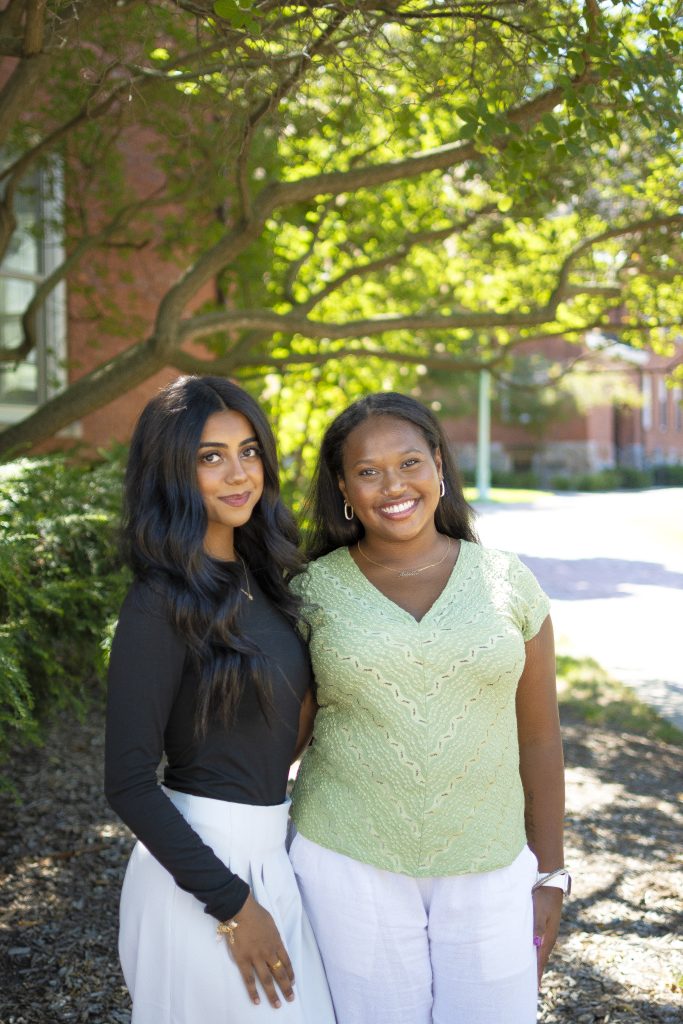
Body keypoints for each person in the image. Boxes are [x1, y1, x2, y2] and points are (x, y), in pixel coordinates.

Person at [288, 392, 567, 1024]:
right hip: (347, 861)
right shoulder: (310, 593)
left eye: (409, 461)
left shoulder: (507, 581)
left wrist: (550, 874)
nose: (394, 484)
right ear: (343, 489)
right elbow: (283, 739)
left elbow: (541, 739)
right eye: (368, 471)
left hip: (491, 862)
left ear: (439, 466)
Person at [104, 376, 334, 1024]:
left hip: (270, 854)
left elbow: (275, 736)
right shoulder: (160, 601)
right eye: (210, 456)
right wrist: (233, 905)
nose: (238, 473)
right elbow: (126, 782)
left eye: (248, 450)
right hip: (201, 878)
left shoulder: (265, 580)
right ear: (173, 470)